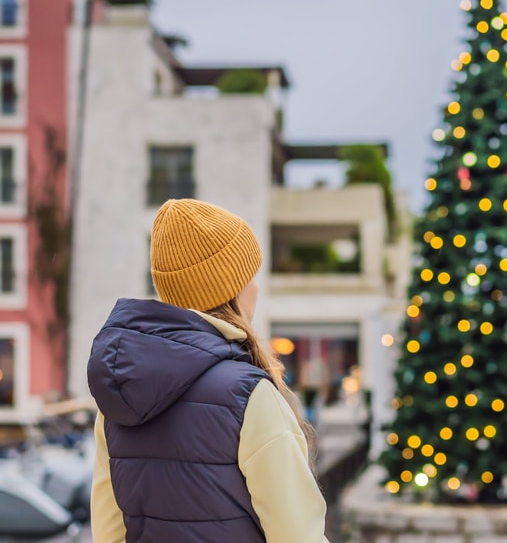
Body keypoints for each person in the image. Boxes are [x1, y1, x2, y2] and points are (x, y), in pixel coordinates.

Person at [88, 199, 328, 542]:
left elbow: (109, 534)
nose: (256, 287)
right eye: (250, 275)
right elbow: (297, 536)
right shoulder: (250, 396)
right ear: (231, 288)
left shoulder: (117, 397)